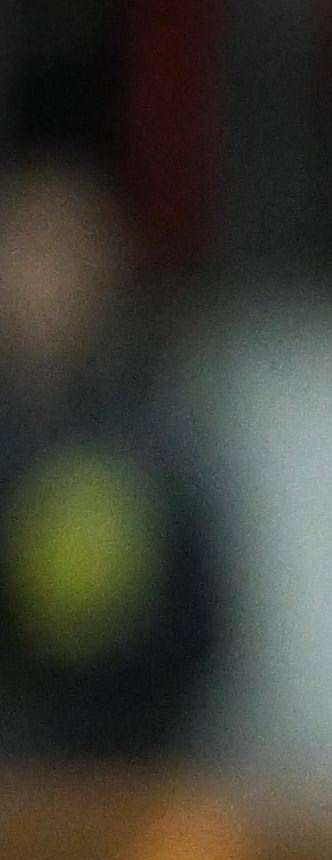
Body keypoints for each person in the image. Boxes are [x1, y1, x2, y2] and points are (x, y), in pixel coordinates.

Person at [0, 163, 229, 771]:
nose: (48, 284)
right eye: (30, 255)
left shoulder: (155, 440)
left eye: (68, 257)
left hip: (134, 771)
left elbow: (200, 617)